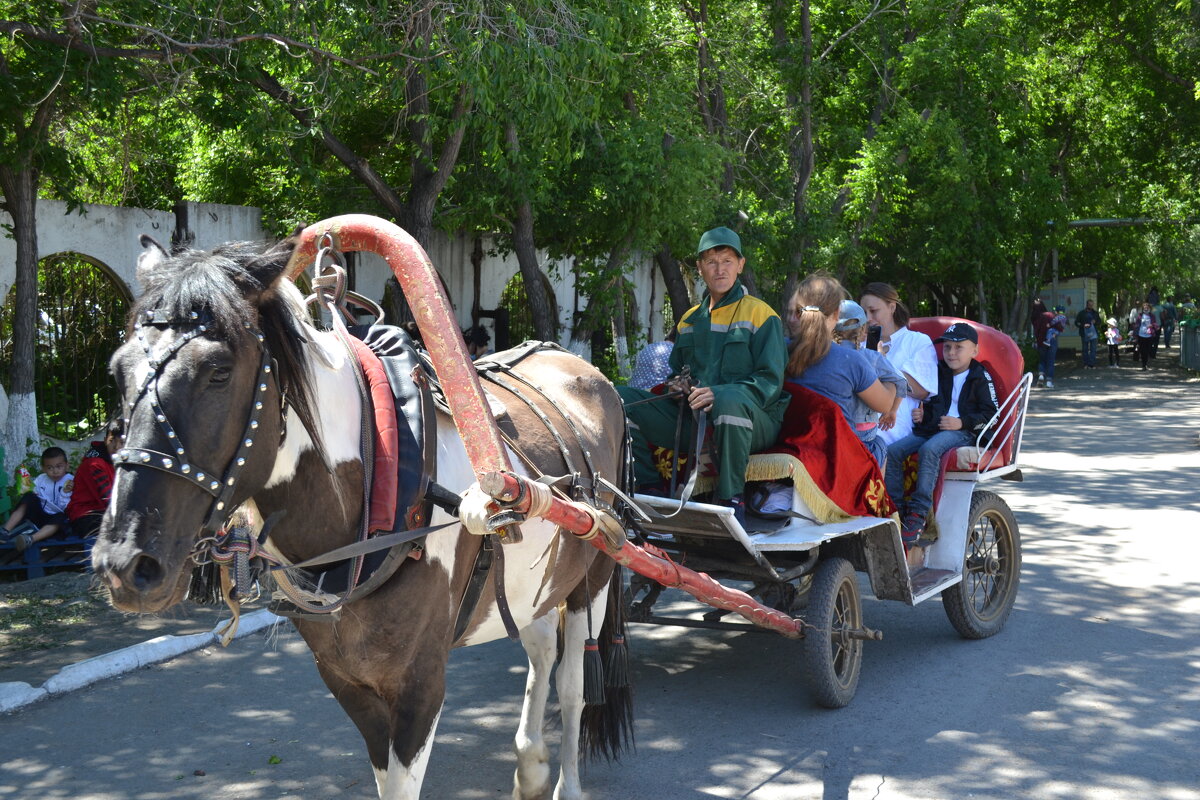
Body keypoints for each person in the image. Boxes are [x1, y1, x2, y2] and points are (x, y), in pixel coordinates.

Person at [616, 226, 789, 521]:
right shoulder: (689, 319)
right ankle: (649, 488)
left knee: (730, 401)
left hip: (752, 419)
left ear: (740, 266)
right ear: (699, 268)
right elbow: (676, 371)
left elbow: (769, 382)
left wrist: (719, 394)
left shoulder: (762, 314)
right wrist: (677, 385)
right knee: (619, 398)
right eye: (711, 262)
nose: (719, 270)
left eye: (727, 261)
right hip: (694, 417)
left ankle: (731, 501)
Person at [884, 322, 999, 546]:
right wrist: (923, 416)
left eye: (958, 348)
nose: (951, 353)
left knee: (930, 449)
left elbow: (992, 414)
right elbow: (934, 404)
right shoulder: (940, 371)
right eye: (947, 348)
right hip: (936, 429)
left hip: (965, 432)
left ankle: (919, 512)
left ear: (974, 350)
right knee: (894, 451)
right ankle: (896, 508)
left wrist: (961, 422)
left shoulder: (980, 376)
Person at [829, 299, 908, 467]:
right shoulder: (871, 358)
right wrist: (892, 411)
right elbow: (900, 381)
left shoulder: (821, 356)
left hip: (832, 430)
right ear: (864, 330)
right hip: (863, 433)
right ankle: (877, 490)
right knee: (880, 445)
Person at [859, 282, 938, 445]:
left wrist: (882, 362)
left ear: (892, 307)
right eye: (864, 312)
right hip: (858, 421)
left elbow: (921, 390)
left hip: (892, 428)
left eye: (873, 311)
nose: (868, 318)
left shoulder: (917, 341)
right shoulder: (859, 343)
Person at [2, 447, 73, 554]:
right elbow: (34, 494)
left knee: (62, 517)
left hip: (55, 523)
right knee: (29, 497)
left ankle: (30, 539)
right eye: (50, 468)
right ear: (43, 469)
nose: (55, 471)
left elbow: (64, 507)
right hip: (39, 516)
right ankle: (5, 531)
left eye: (59, 466)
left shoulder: (71, 481)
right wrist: (27, 489)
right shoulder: (41, 479)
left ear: (67, 465)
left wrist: (65, 493)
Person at [65, 419, 123, 539]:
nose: (116, 447)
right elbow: (107, 499)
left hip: (106, 512)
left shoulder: (120, 460)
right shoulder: (94, 464)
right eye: (112, 441)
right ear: (105, 440)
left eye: (122, 442)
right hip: (85, 516)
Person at [1040, 306, 1067, 388]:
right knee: (1051, 362)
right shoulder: (1063, 317)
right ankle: (1049, 382)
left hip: (1042, 340)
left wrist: (1049, 324)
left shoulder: (1049, 317)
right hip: (1053, 339)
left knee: (1042, 360)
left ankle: (1041, 376)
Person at [1075, 299, 1102, 369]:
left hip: (1094, 334)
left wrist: (1095, 322)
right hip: (1084, 333)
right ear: (1087, 305)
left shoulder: (1095, 313)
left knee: (1093, 349)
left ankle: (1091, 364)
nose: (1091, 306)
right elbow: (1076, 322)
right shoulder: (1081, 313)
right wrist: (1083, 325)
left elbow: (1099, 322)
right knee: (1085, 349)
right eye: (1089, 305)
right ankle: (1085, 364)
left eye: (1092, 305)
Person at [1134, 300, 1158, 370]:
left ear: (1149, 308)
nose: (1146, 308)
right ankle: (1143, 364)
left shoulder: (1152, 316)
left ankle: (1146, 363)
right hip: (1141, 335)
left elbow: (1155, 325)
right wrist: (1135, 334)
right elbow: (1136, 325)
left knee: (1147, 350)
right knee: (1142, 350)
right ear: (1142, 308)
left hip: (1149, 335)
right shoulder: (1140, 316)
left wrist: (1152, 325)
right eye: (1144, 307)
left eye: (1147, 307)